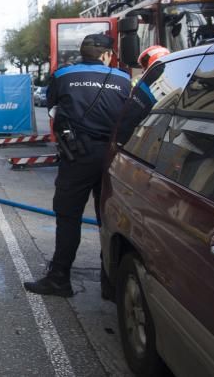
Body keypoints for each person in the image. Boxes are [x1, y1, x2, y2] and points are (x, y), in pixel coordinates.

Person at [24, 33, 130, 298]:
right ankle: (111, 285)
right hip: (113, 157)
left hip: (77, 155)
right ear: (107, 55)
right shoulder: (124, 79)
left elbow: (53, 109)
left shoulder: (64, 76)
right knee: (109, 220)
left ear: (83, 53)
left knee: (68, 217)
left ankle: (59, 279)